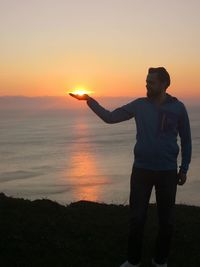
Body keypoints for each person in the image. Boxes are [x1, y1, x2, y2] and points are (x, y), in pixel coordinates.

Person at [69, 67, 192, 267]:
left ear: (164, 84)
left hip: (167, 172)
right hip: (142, 170)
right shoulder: (139, 105)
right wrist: (89, 100)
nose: (147, 85)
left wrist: (184, 169)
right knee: (137, 218)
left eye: (151, 82)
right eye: (146, 81)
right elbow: (110, 117)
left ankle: (160, 261)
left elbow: (186, 140)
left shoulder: (178, 108)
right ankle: (133, 261)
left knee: (167, 221)